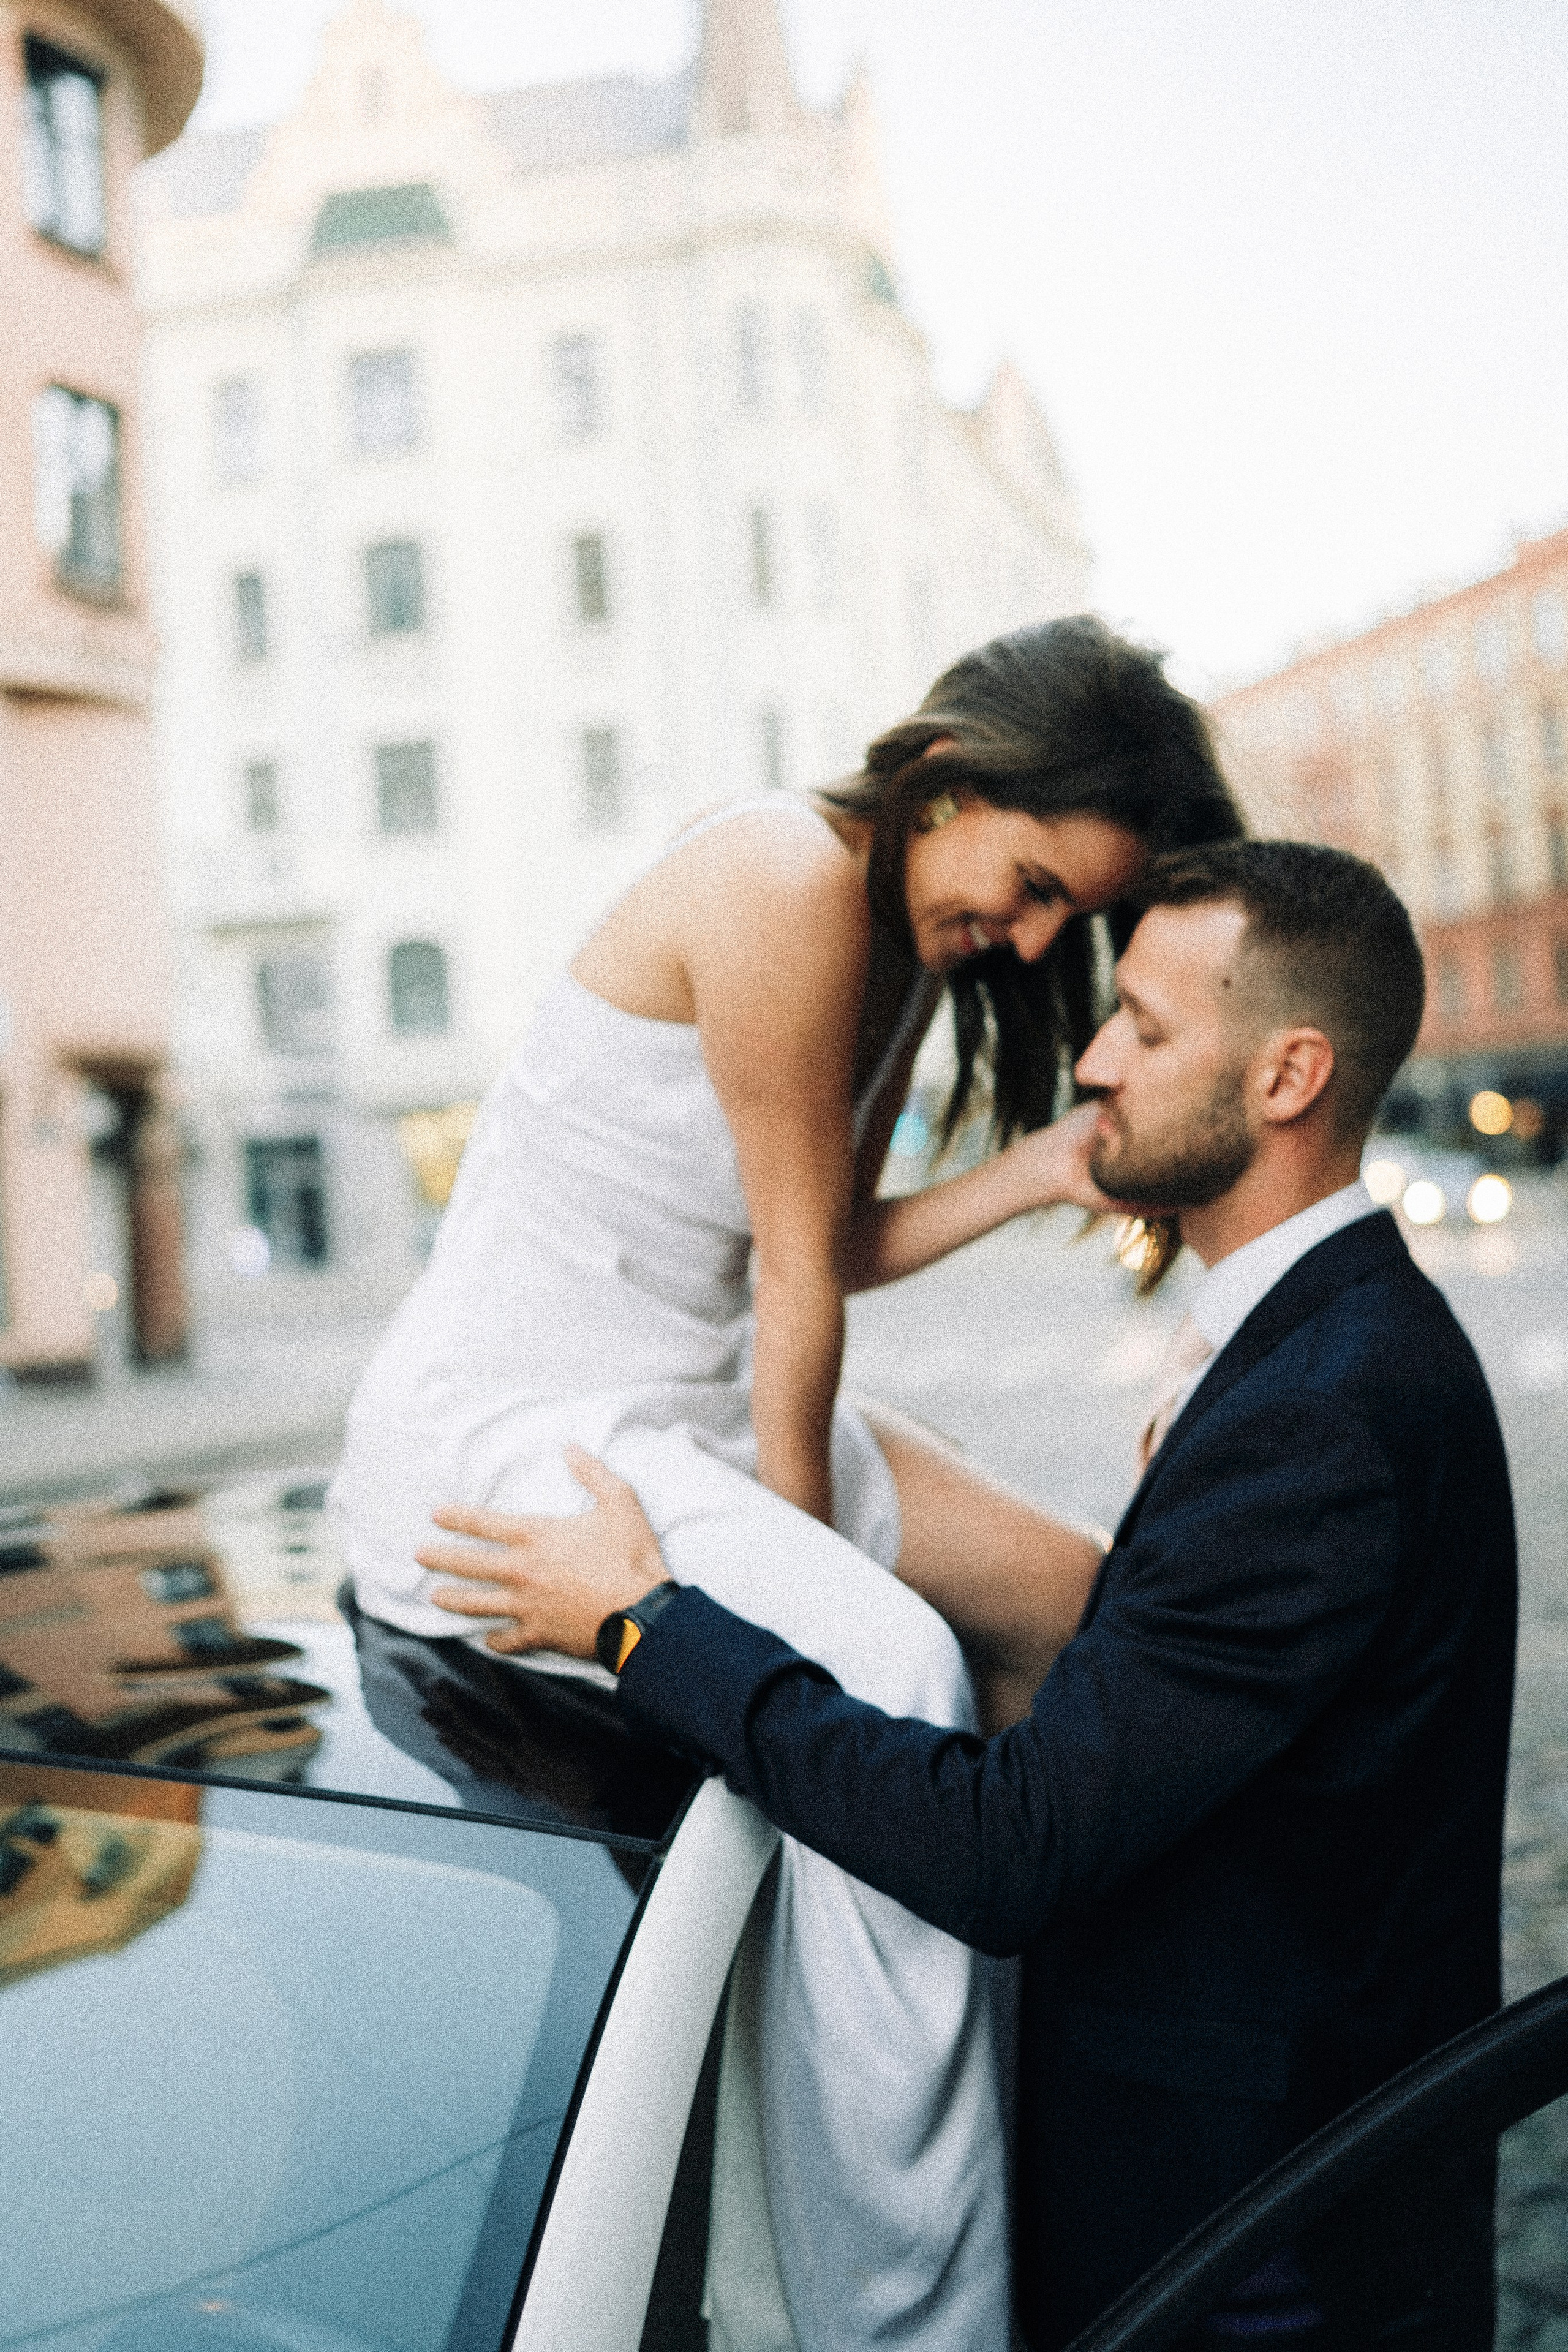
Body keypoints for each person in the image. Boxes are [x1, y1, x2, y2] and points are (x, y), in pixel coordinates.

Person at [420, 842, 1518, 2351]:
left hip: (1257, 2249)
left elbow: (1013, 1847)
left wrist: (640, 1626)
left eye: (1140, 1024)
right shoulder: (1311, 1353)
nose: (1090, 1059)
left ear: (1286, 1078)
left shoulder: (1322, 1414)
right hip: (1236, 2203)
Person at [331, 617, 1244, 2352]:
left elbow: (821, 1241)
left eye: (1073, 919)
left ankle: (1030, 2073)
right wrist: (802, 1595)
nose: (1036, 937)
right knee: (888, 1669)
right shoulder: (783, 883)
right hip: (512, 1432)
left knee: (1070, 1607)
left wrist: (1039, 1165)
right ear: (954, 777)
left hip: (673, 1402)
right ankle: (884, 2306)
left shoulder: (896, 936)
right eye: (1038, 882)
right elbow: (796, 1290)